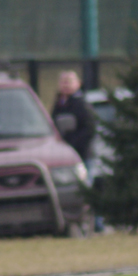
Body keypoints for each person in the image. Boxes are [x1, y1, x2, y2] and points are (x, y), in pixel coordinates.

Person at [51, 70, 101, 231]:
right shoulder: (59, 104)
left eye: (69, 81)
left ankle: (97, 224)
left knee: (87, 190)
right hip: (65, 158)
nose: (65, 85)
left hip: (83, 156)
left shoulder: (81, 104)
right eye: (63, 81)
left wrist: (72, 144)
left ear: (78, 84)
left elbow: (90, 129)